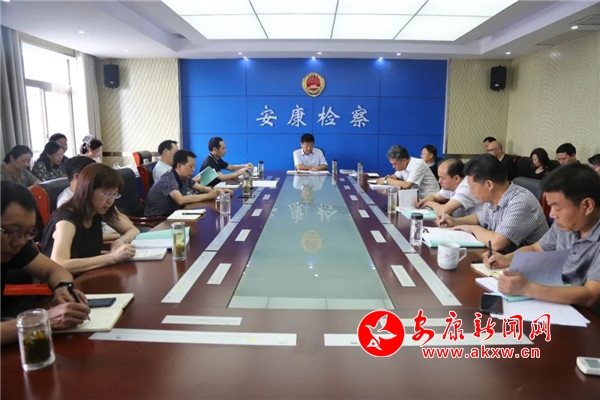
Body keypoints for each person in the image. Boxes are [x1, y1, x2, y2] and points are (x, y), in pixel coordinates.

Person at [483, 164, 600, 312]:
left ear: (587, 206)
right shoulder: (565, 224)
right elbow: (536, 248)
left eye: (557, 208)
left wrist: (527, 288)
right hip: (556, 299)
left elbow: (591, 295)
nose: (551, 215)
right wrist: (506, 259)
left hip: (586, 315)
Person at [1, 181, 90, 345]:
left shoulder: (16, 243)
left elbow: (55, 271)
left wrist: (63, 288)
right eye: (12, 231)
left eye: (28, 233)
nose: (19, 242)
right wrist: (42, 320)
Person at [438, 154, 548, 253]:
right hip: (503, 258)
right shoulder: (494, 196)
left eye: (472, 187)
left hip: (528, 264)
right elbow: (480, 218)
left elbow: (496, 243)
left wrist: (473, 228)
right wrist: (455, 221)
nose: (471, 191)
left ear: (489, 185)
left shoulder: (521, 202)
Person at [40, 163, 139, 274]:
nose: (110, 201)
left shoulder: (98, 210)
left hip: (88, 274)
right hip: (60, 281)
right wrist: (112, 257)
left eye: (114, 195)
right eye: (106, 194)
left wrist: (120, 241)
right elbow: (59, 264)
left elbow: (133, 230)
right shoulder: (66, 220)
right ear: (87, 191)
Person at [146, 150, 228, 217]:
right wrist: (208, 196)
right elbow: (181, 200)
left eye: (194, 166)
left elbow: (202, 188)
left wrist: (219, 191)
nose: (193, 170)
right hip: (157, 220)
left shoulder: (185, 178)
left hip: (173, 215)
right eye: (191, 166)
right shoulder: (168, 179)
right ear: (179, 166)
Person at [416, 158, 483, 217]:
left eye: (442, 178)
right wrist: (422, 202)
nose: (439, 181)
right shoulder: (451, 185)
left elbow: (444, 211)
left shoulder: (466, 188)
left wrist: (430, 204)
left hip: (476, 225)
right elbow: (434, 197)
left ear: (456, 178)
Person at [375, 145, 439, 198]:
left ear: (404, 160)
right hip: (415, 197)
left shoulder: (418, 164)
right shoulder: (404, 165)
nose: (393, 167)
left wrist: (386, 180)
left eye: (395, 164)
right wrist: (389, 178)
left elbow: (406, 185)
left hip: (430, 198)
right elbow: (394, 176)